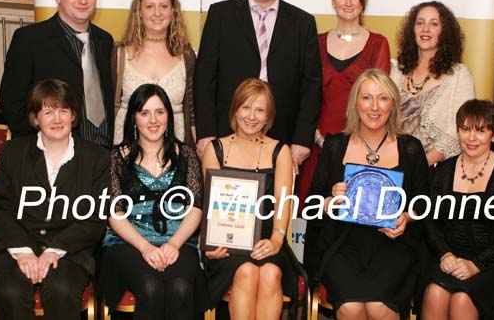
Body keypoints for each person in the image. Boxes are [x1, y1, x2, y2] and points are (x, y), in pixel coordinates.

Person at [305, 69, 428, 320]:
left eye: (383, 98)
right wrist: (330, 201)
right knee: (351, 308)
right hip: (342, 244)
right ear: (355, 103)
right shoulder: (335, 146)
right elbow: (312, 203)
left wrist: (407, 217)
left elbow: (425, 204)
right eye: (367, 98)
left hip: (393, 245)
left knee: (378, 308)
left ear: (393, 105)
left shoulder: (411, 149)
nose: (374, 107)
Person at [0, 79, 109, 320]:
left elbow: (95, 217)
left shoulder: (97, 158)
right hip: (15, 244)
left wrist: (54, 250)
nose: (57, 119)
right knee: (11, 292)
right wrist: (23, 252)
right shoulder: (12, 152)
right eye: (48, 112)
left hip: (70, 248)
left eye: (63, 111)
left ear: (74, 115)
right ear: (35, 118)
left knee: (60, 291)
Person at [194, 0, 322, 173]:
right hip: (227, 135)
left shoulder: (303, 23)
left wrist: (302, 139)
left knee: (277, 207)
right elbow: (204, 79)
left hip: (283, 139)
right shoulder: (220, 15)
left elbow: (311, 86)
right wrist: (205, 134)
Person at [98, 83, 207, 320]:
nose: (153, 120)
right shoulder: (117, 157)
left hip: (179, 241)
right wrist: (146, 247)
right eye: (144, 113)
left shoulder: (187, 155)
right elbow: (114, 214)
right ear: (133, 119)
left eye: (160, 112)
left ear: (169, 115)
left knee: (180, 287)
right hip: (128, 243)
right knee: (151, 287)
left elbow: (195, 208)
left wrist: (174, 245)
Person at [202, 78, 304, 319]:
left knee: (270, 273)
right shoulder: (215, 149)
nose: (252, 116)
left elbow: (283, 201)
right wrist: (211, 244)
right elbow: (209, 207)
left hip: (268, 240)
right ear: (235, 109)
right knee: (247, 271)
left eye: (260, 110)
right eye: (246, 107)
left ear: (269, 117)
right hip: (226, 244)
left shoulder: (280, 151)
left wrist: (277, 240)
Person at [421, 99, 494, 320]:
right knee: (435, 293)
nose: (471, 138)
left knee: (462, 299)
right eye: (465, 129)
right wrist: (445, 254)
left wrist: (476, 264)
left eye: (481, 130)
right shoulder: (443, 171)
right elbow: (430, 221)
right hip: (452, 255)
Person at [298, 0, 390, 205]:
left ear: (363, 2)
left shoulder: (378, 44)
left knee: (355, 209)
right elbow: (305, 93)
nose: (348, 3)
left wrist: (353, 142)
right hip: (317, 145)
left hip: (360, 146)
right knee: (314, 213)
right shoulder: (315, 42)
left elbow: (379, 102)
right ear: (333, 0)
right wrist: (316, 136)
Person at [0, 0, 114, 147]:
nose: (83, 0)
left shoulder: (105, 41)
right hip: (50, 158)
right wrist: (41, 149)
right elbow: (12, 103)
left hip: (102, 157)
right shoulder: (29, 40)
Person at [112, 0, 196, 146]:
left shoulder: (185, 55)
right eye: (150, 6)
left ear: (173, 11)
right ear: (139, 11)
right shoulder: (120, 54)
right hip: (128, 148)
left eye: (164, 6)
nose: (157, 13)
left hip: (176, 148)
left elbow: (192, 106)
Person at [391, 1, 475, 165]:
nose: (425, 29)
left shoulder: (459, 75)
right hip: (395, 163)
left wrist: (420, 166)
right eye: (420, 23)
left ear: (444, 31)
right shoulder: (398, 71)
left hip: (438, 168)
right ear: (412, 30)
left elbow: (458, 131)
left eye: (434, 24)